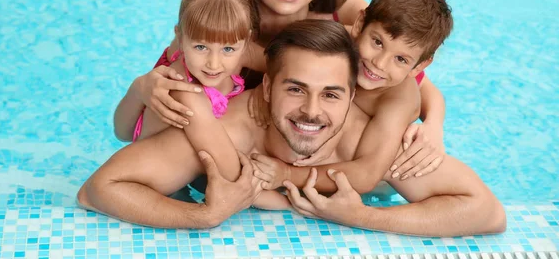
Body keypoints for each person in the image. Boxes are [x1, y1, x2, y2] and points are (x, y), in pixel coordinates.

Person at [77, 20, 506, 237]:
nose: (312, 112)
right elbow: (97, 188)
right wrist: (203, 215)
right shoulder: (224, 129)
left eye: (332, 94)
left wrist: (364, 216)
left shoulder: (366, 142)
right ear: (266, 90)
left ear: (352, 97)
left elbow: (488, 213)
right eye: (296, 89)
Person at [116, 0, 446, 176]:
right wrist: (143, 87)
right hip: (234, 147)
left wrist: (434, 125)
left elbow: (410, 75)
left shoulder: (345, 12)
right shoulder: (229, 17)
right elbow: (174, 74)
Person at [252, 0, 451, 195]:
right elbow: (282, 62)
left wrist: (287, 175)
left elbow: (367, 175)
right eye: (377, 42)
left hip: (375, 182)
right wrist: (262, 87)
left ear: (419, 65)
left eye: (401, 59)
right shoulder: (334, 43)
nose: (380, 63)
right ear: (358, 25)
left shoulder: (399, 97)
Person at [114, 0, 257, 182]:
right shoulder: (182, 88)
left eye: (228, 49)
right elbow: (230, 174)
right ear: (179, 38)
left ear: (246, 42)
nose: (213, 63)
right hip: (152, 175)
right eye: (201, 47)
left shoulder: (227, 72)